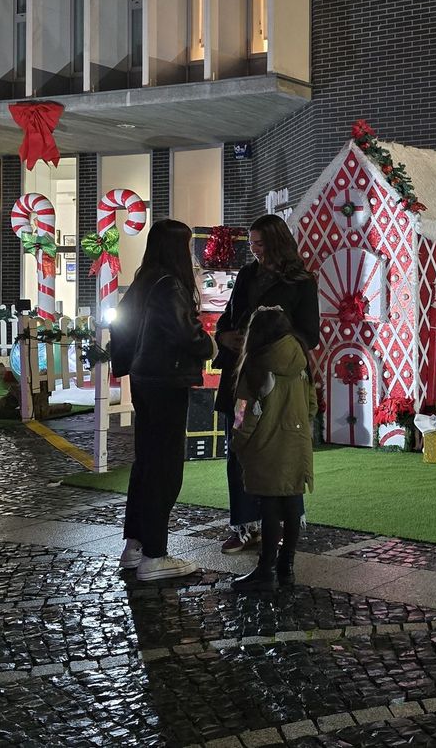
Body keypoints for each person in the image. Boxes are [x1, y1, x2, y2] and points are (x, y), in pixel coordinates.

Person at [110, 219, 216, 582]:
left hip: (143, 378)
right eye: (186, 246)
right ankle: (155, 554)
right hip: (166, 380)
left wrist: (126, 363)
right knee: (165, 468)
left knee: (146, 463)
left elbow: (119, 326)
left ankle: (135, 545)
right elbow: (186, 334)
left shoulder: (144, 280)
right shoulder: (169, 284)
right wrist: (211, 345)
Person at [213, 214, 320, 554]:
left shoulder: (301, 281)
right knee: (239, 446)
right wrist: (224, 336)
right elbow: (227, 316)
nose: (255, 251)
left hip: (281, 380)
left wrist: (272, 339)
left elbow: (310, 333)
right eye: (252, 244)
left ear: (276, 242)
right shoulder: (246, 275)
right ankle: (244, 525)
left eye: (260, 244)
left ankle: (288, 524)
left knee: (283, 449)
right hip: (241, 375)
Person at [229, 306, 316, 591]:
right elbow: (312, 403)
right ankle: (286, 567)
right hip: (296, 443)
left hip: (266, 446)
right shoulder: (301, 360)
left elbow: (244, 413)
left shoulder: (256, 366)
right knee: (291, 505)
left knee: (268, 508)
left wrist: (239, 443)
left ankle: (265, 569)